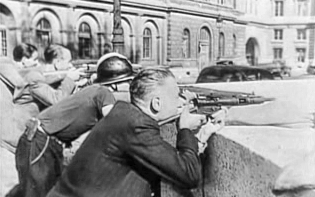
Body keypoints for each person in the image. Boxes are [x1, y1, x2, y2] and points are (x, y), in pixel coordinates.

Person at [47, 67, 227, 197]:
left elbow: (165, 159)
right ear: (156, 103)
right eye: (177, 95)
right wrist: (185, 128)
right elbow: (189, 174)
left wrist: (202, 136)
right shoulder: (136, 125)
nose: (181, 102)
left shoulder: (124, 115)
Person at [12, 53, 136, 197]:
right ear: (114, 83)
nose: (130, 85)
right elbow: (114, 123)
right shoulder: (103, 93)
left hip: (41, 140)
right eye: (127, 81)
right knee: (38, 192)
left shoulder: (93, 91)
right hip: (40, 141)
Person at [0, 44, 81, 197]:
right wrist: (69, 79)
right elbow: (57, 100)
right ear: (57, 62)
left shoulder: (38, 76)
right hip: (14, 142)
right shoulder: (33, 77)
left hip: (21, 140)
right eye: (68, 61)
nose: (71, 65)